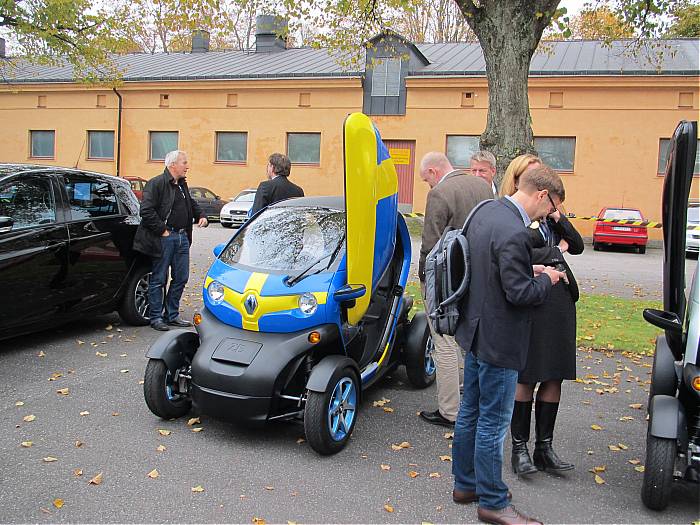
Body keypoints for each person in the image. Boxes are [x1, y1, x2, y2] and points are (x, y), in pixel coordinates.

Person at [452, 166, 567, 525]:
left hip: (474, 331)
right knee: (493, 422)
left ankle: (466, 484)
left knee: (469, 411)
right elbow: (520, 294)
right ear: (542, 195)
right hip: (500, 340)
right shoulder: (516, 231)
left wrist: (523, 271)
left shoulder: (486, 210)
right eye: (550, 208)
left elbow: (487, 266)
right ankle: (493, 502)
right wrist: (546, 278)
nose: (547, 215)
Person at [500, 155, 585, 477]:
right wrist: (554, 251)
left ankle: (544, 448)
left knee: (554, 374)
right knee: (528, 375)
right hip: (533, 298)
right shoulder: (513, 215)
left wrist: (559, 219)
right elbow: (520, 254)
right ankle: (519, 449)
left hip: (560, 300)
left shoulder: (550, 214)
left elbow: (575, 244)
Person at [417, 152, 493, 428]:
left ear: (434, 172)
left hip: (446, 281)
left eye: (426, 180)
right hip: (479, 277)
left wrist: (424, 279)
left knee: (445, 342)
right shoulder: (483, 186)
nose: (428, 185)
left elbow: (430, 244)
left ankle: (450, 411)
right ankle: (475, 404)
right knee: (474, 342)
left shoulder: (440, 194)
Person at [133, 150, 208, 331]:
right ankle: (156, 317)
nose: (187, 166)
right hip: (165, 238)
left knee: (181, 277)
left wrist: (201, 215)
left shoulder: (182, 185)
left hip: (182, 237)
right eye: (184, 162)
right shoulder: (156, 183)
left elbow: (190, 203)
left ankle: (171, 315)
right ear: (173, 165)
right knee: (159, 279)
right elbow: (146, 211)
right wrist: (163, 230)